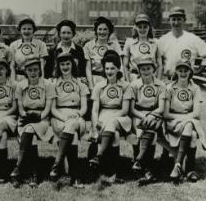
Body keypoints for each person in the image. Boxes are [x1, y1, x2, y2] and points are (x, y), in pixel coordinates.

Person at [88, 51, 132, 182]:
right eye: (106, 68)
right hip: (103, 115)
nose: (109, 71)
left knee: (111, 123)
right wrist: (96, 126)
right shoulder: (99, 86)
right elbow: (95, 111)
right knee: (115, 136)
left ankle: (99, 155)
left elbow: (124, 110)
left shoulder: (125, 86)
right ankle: (112, 172)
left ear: (118, 68)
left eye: (112, 68)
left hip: (121, 117)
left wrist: (108, 120)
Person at [10, 58, 54, 188]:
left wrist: (39, 116)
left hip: (42, 119)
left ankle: (19, 168)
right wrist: (25, 115)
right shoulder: (20, 85)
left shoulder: (47, 84)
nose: (33, 72)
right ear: (25, 71)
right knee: (30, 133)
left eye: (35, 70)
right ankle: (33, 173)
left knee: (29, 130)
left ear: (40, 70)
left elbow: (48, 108)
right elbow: (20, 108)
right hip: (25, 118)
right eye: (29, 70)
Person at [163, 59, 206, 182]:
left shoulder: (195, 88)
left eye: (186, 70)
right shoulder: (169, 88)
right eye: (180, 70)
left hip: (189, 121)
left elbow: (197, 113)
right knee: (190, 127)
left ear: (190, 72)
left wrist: (185, 119)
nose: (183, 73)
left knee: (192, 133)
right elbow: (166, 114)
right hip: (173, 122)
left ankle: (181, 166)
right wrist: (182, 118)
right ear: (176, 71)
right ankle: (188, 168)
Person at [49, 53, 89, 187]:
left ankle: (57, 163)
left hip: (77, 116)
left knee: (72, 126)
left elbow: (84, 108)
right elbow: (52, 109)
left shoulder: (80, 82)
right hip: (59, 116)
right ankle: (75, 176)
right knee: (73, 133)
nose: (65, 67)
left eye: (68, 64)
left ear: (73, 65)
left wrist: (77, 114)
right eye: (62, 64)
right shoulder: (53, 83)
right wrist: (64, 117)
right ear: (58, 66)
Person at [130, 56, 166, 185]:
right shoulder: (134, 84)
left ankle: (143, 164)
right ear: (139, 70)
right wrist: (142, 116)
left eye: (149, 68)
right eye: (143, 69)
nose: (146, 71)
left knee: (152, 128)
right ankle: (142, 166)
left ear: (154, 69)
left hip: (155, 113)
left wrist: (150, 115)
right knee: (140, 131)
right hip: (138, 113)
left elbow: (161, 107)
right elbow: (131, 108)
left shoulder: (160, 85)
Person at [157, 6, 206, 80]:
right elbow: (155, 59)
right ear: (169, 20)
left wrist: (198, 70)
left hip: (186, 81)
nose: (176, 23)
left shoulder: (192, 39)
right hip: (168, 81)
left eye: (179, 19)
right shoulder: (163, 40)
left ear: (184, 20)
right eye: (173, 19)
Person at [83, 16, 122, 91]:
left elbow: (120, 65)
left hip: (111, 79)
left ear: (109, 31)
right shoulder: (88, 46)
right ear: (96, 30)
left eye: (105, 29)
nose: (102, 32)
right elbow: (88, 68)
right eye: (100, 29)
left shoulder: (114, 45)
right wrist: (91, 85)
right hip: (94, 80)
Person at [123, 14, 162, 82]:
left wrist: (157, 81)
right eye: (140, 27)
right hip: (134, 78)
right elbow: (125, 66)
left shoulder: (156, 43)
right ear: (135, 28)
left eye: (145, 27)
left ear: (149, 27)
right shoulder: (129, 42)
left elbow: (160, 65)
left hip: (151, 78)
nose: (142, 29)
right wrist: (128, 82)